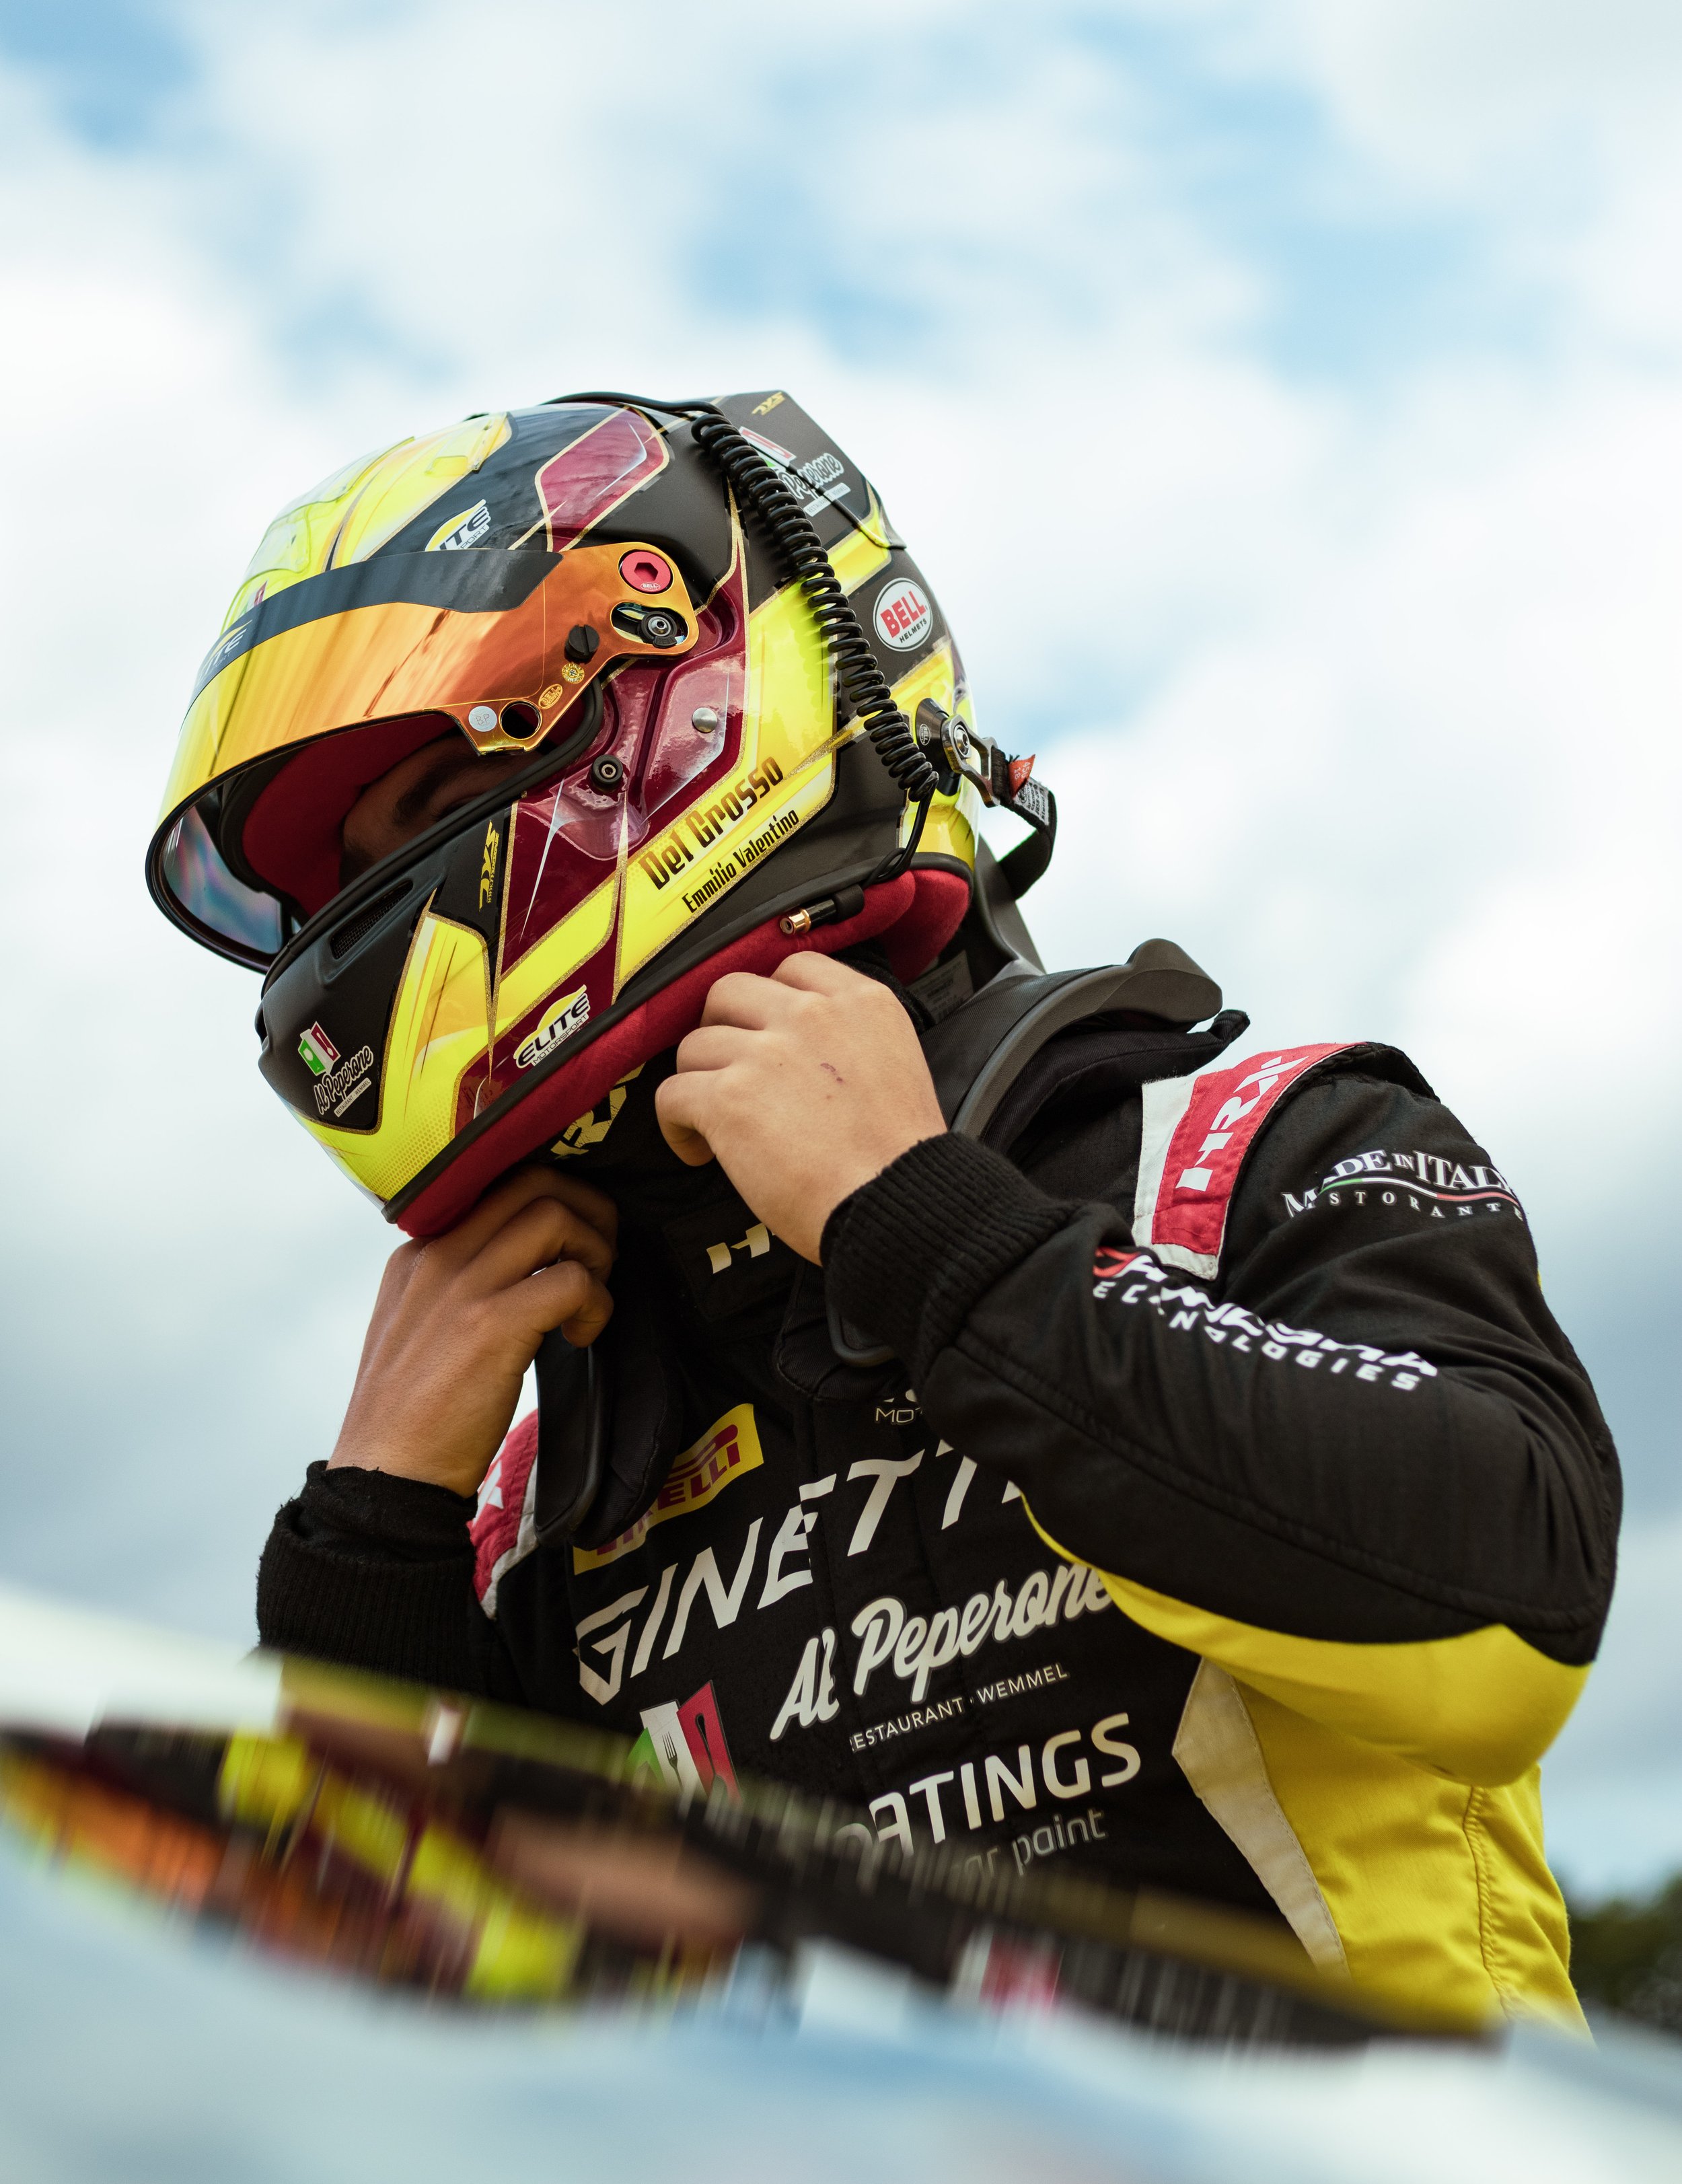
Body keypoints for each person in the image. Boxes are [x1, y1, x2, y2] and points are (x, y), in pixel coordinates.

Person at [149, 389, 1618, 2029]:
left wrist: (923, 1237)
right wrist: (370, 1549)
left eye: (423, 811)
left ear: (691, 696)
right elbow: (383, 2036)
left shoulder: (1237, 1141)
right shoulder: (542, 1462)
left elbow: (1510, 1613)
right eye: (341, 870)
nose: (367, 909)